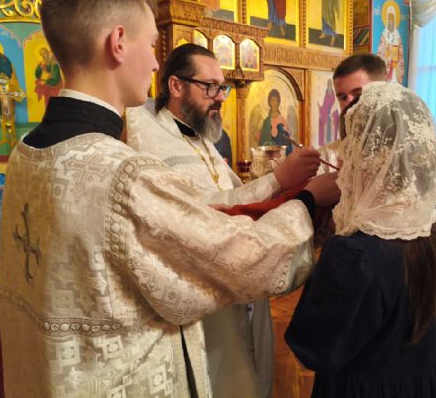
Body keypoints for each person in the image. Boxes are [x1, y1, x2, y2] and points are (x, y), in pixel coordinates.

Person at [0, 0, 340, 398]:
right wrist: (306, 203)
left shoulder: (25, 153)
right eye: (151, 45)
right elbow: (235, 259)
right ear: (118, 42)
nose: (157, 62)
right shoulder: (124, 173)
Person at [126, 43, 315, 397]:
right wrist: (277, 180)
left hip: (239, 276)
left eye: (222, 87)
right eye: (210, 87)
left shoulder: (204, 136)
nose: (221, 97)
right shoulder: (145, 136)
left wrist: (292, 188)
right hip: (202, 289)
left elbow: (233, 196)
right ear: (176, 85)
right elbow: (197, 212)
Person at [285, 82, 436, 398]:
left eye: (348, 149)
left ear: (364, 158)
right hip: (431, 384)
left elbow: (313, 347)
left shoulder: (354, 253)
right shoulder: (435, 222)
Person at [320, 53, 436, 251]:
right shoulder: (329, 154)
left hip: (414, 259)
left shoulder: (423, 154)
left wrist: (413, 223)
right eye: (342, 97)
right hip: (349, 257)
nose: (350, 103)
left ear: (384, 90)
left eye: (359, 94)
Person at [376, 5, 404, 84]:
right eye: (389, 18)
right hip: (386, 66)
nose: (391, 20)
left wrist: (396, 62)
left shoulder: (398, 36)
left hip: (395, 69)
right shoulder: (384, 35)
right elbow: (380, 54)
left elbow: (401, 55)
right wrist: (387, 56)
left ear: (395, 19)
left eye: (392, 17)